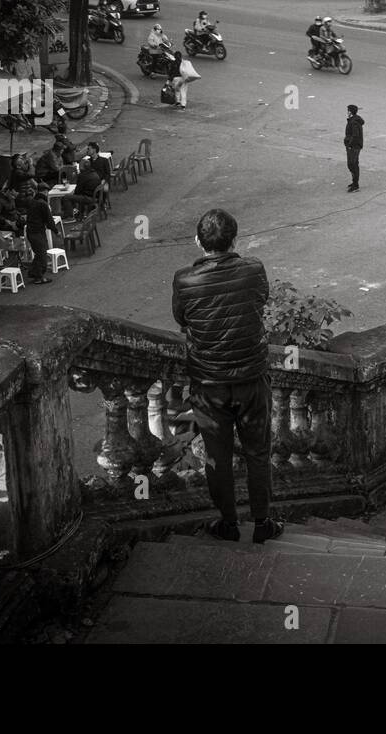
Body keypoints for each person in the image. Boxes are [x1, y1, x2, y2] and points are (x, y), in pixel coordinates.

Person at [172, 209, 284, 544]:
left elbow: (182, 319)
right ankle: (263, 522)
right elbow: (260, 300)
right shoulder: (253, 270)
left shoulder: (184, 280)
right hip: (251, 378)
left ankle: (228, 523)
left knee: (217, 458)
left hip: (209, 386)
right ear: (235, 239)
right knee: (258, 453)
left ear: (198, 241)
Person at [22, 182, 61, 285]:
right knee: (42, 255)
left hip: (31, 231)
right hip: (37, 232)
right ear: (45, 191)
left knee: (39, 254)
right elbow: (49, 220)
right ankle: (39, 277)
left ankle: (33, 272)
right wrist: (56, 231)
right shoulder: (43, 204)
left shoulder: (33, 201)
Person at [344, 104, 364, 192]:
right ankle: (354, 182)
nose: (347, 112)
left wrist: (349, 144)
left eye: (348, 110)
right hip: (354, 146)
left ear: (350, 112)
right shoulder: (354, 120)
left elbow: (355, 135)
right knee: (353, 164)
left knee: (352, 164)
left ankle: (355, 185)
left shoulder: (354, 122)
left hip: (353, 147)